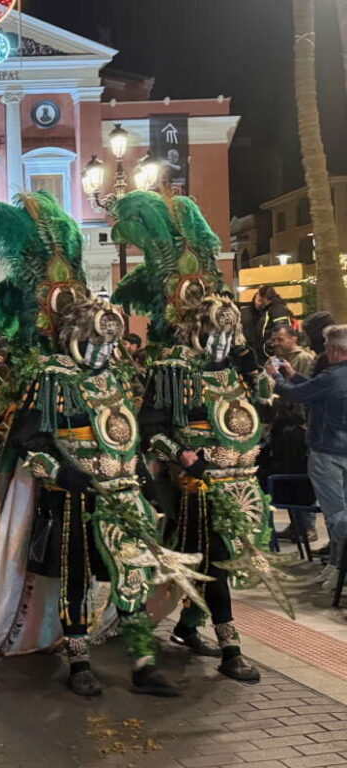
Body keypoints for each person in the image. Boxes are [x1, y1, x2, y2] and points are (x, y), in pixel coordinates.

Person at [0, 192, 200, 697]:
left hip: (122, 494)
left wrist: (156, 467)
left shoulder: (117, 377)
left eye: (110, 342)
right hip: (73, 499)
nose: (105, 350)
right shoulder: (51, 377)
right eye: (97, 341)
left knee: (131, 574)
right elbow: (29, 444)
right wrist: (63, 475)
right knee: (77, 578)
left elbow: (133, 430)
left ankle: (142, 660)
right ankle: (78, 655)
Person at [112, 190, 291, 682]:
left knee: (228, 563)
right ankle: (231, 647)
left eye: (228, 329)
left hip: (242, 481)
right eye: (215, 328)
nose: (223, 336)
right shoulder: (174, 368)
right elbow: (152, 428)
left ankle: (189, 627)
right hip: (197, 486)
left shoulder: (238, 366)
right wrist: (185, 456)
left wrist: (261, 392)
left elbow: (261, 409)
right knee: (208, 559)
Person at [268, 324, 347, 590]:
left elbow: (296, 396)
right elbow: (314, 394)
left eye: (326, 346)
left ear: (336, 350)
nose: (323, 350)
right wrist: (292, 375)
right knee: (340, 513)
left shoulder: (333, 376)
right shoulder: (333, 378)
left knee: (336, 516)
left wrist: (275, 378)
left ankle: (340, 570)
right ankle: (335, 567)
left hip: (328, 455)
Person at [244, 285, 293, 362]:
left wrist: (268, 348)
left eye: (260, 297)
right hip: (268, 357)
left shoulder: (277, 309)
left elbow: (281, 331)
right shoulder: (268, 309)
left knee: (276, 373)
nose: (259, 299)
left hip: (274, 357)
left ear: (264, 297)